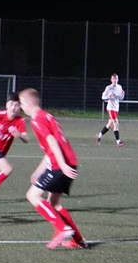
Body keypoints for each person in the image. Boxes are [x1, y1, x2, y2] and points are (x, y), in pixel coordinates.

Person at [19, 88, 88, 249]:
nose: (21, 107)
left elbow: (51, 141)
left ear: (29, 103)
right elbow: (51, 148)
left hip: (60, 164)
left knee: (32, 195)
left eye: (21, 103)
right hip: (69, 161)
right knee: (54, 203)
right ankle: (78, 241)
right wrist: (39, 171)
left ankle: (62, 228)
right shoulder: (48, 116)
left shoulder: (36, 119)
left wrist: (62, 165)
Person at [96, 73, 126, 147]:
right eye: (113, 79)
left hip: (116, 108)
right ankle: (118, 142)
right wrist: (107, 97)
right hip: (110, 108)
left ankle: (99, 136)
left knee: (109, 125)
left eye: (116, 79)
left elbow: (120, 98)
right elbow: (103, 97)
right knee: (116, 123)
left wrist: (123, 95)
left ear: (118, 79)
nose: (115, 80)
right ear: (111, 80)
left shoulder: (119, 87)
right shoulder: (108, 88)